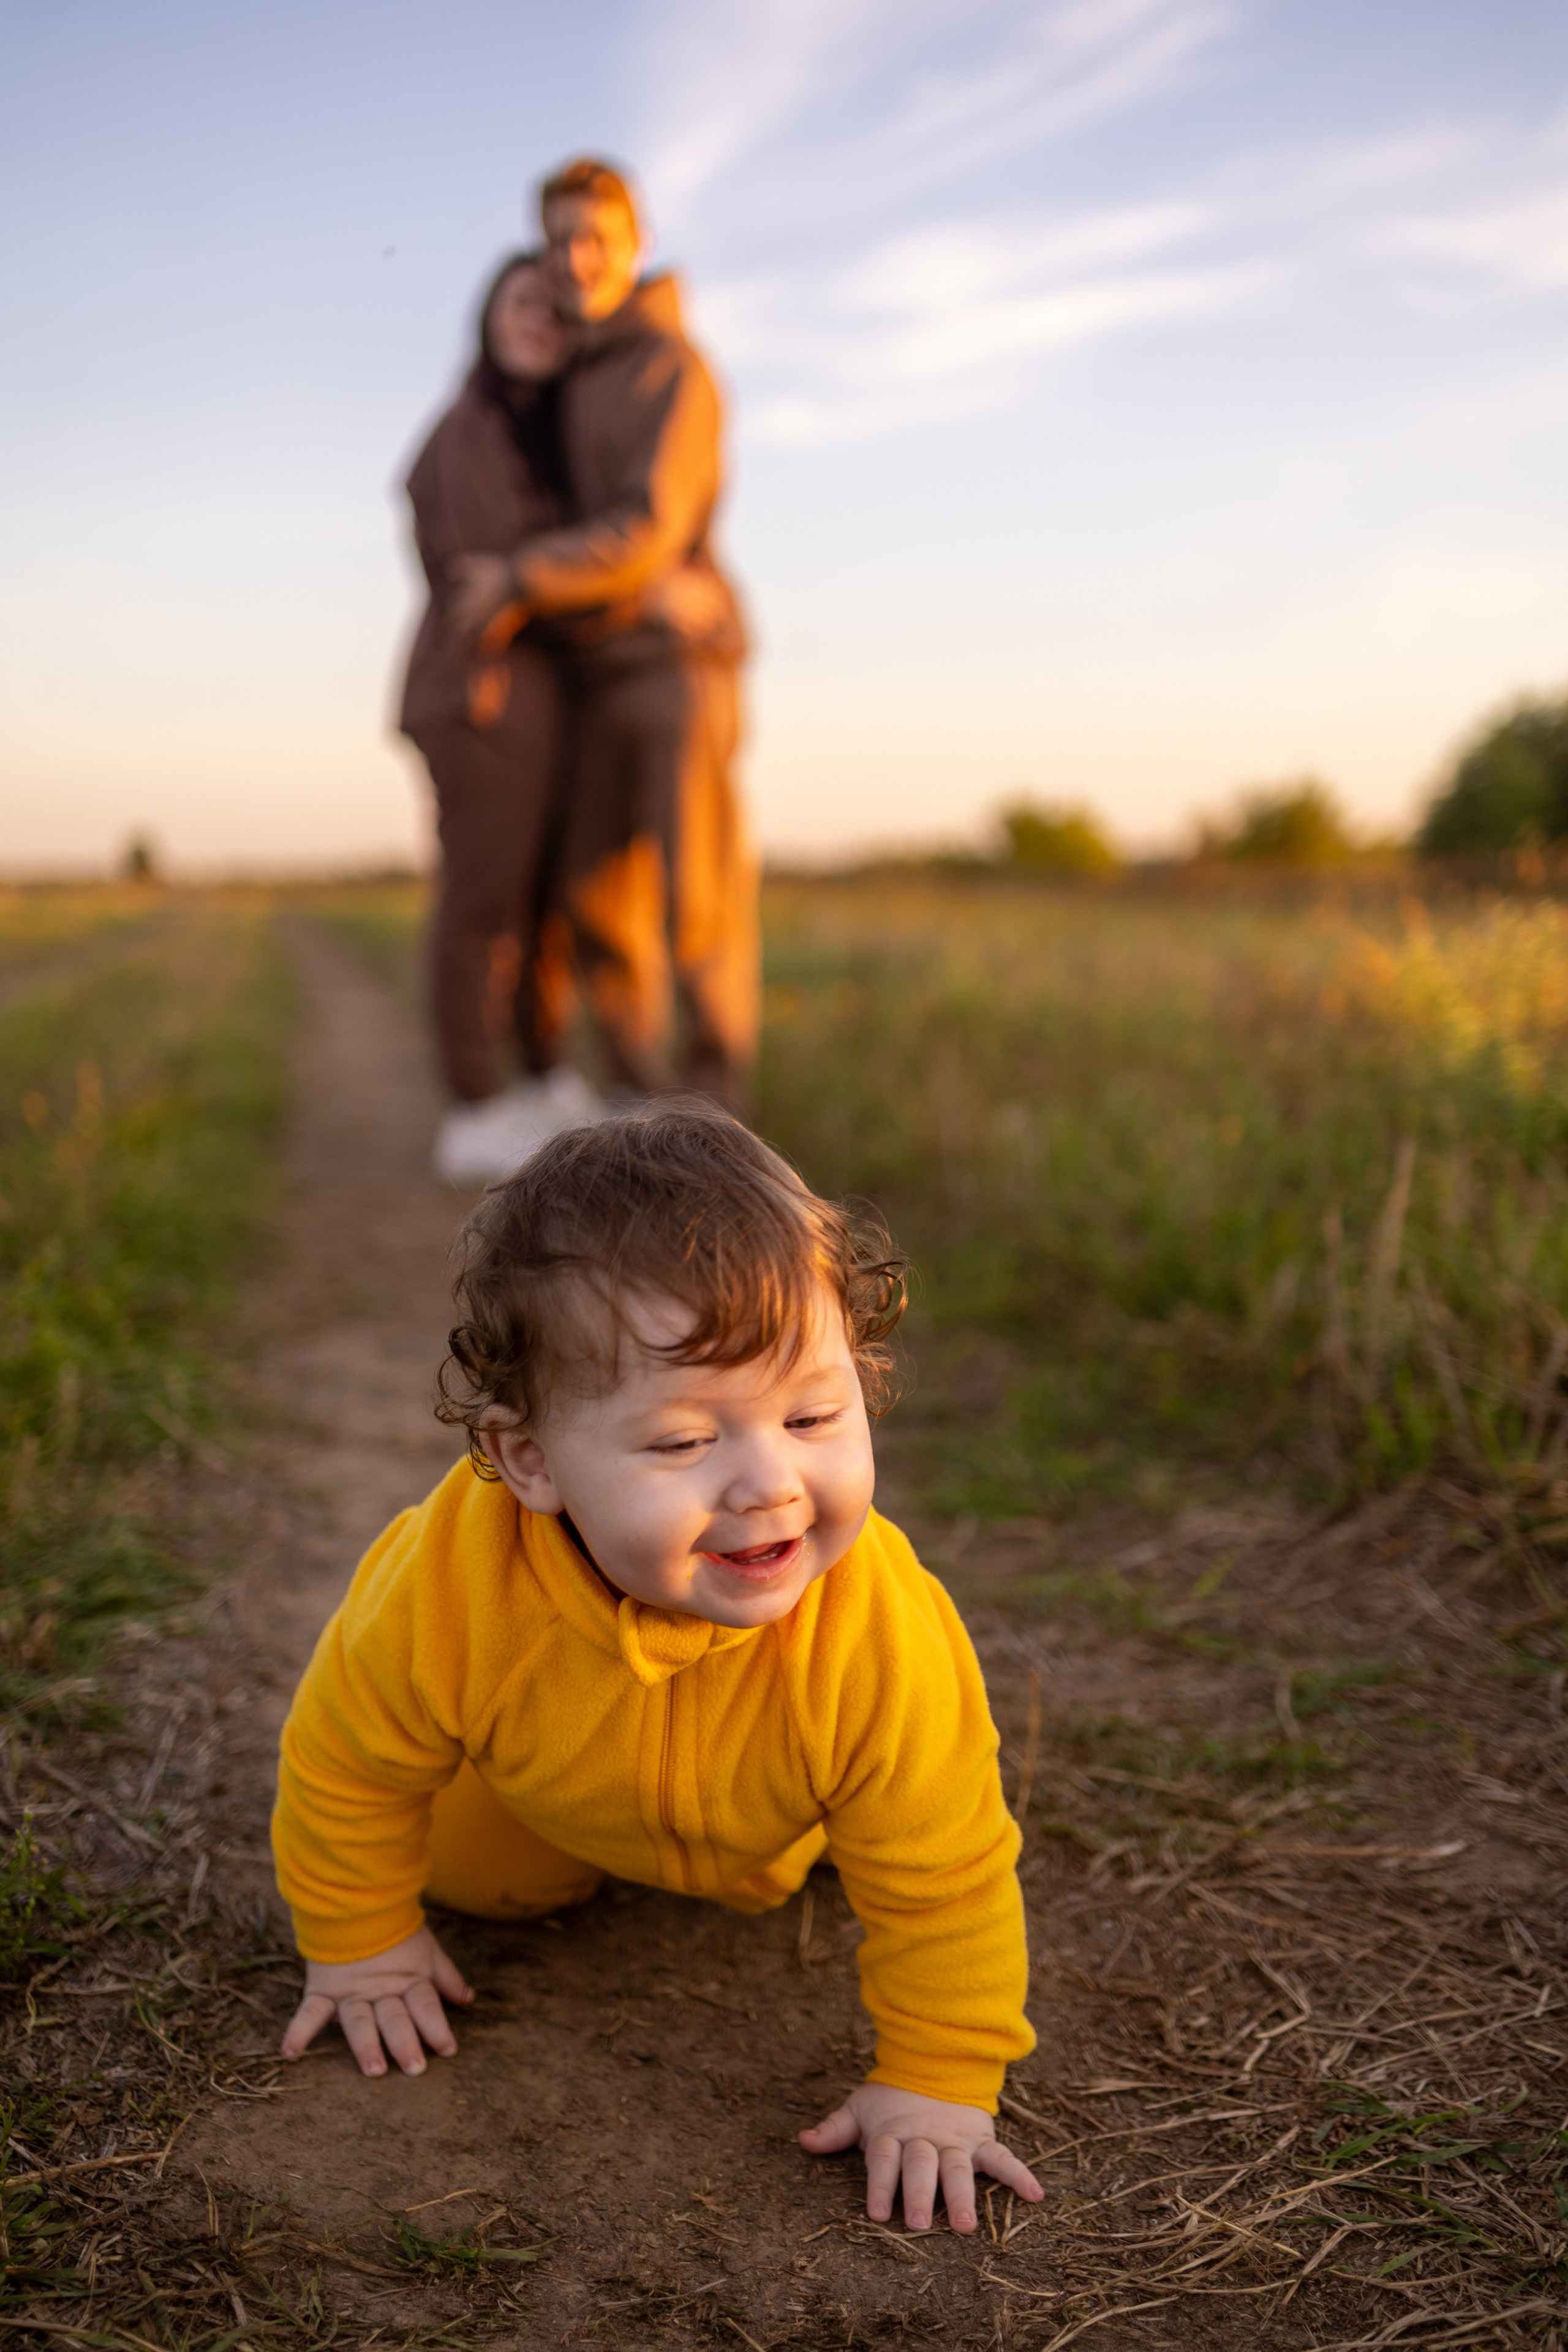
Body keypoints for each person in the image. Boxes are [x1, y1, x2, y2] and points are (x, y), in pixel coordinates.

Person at [272, 1108, 1044, 2235]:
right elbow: (345, 1758)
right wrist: (361, 1943)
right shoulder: (453, 1588)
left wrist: (938, 2079)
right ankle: (525, 1869)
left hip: (772, 1821)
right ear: (527, 1460)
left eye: (815, 1413)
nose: (767, 1483)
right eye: (685, 1443)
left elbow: (954, 1876)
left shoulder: (878, 1634)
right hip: (544, 1798)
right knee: (463, 1872)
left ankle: (828, 1839)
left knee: (901, 1828)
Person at [451, 160, 757, 1112]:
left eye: (597, 239)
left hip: (677, 671)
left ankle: (716, 1116)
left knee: (696, 904)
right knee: (593, 906)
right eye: (560, 241)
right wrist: (616, 590)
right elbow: (612, 553)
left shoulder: (677, 367)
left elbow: (648, 529)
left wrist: (518, 577)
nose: (578, 260)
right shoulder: (555, 373)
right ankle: (640, 1104)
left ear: (639, 243)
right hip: (592, 670)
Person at [399, 252, 598, 1183]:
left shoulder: (543, 435)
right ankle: (472, 1106)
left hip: (536, 697)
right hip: (477, 694)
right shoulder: (465, 429)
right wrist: (603, 567)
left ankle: (544, 1079)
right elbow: (489, 571)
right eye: (523, 304)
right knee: (482, 901)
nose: (539, 323)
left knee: (539, 904)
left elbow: (532, 570)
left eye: (557, 312)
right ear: (487, 316)